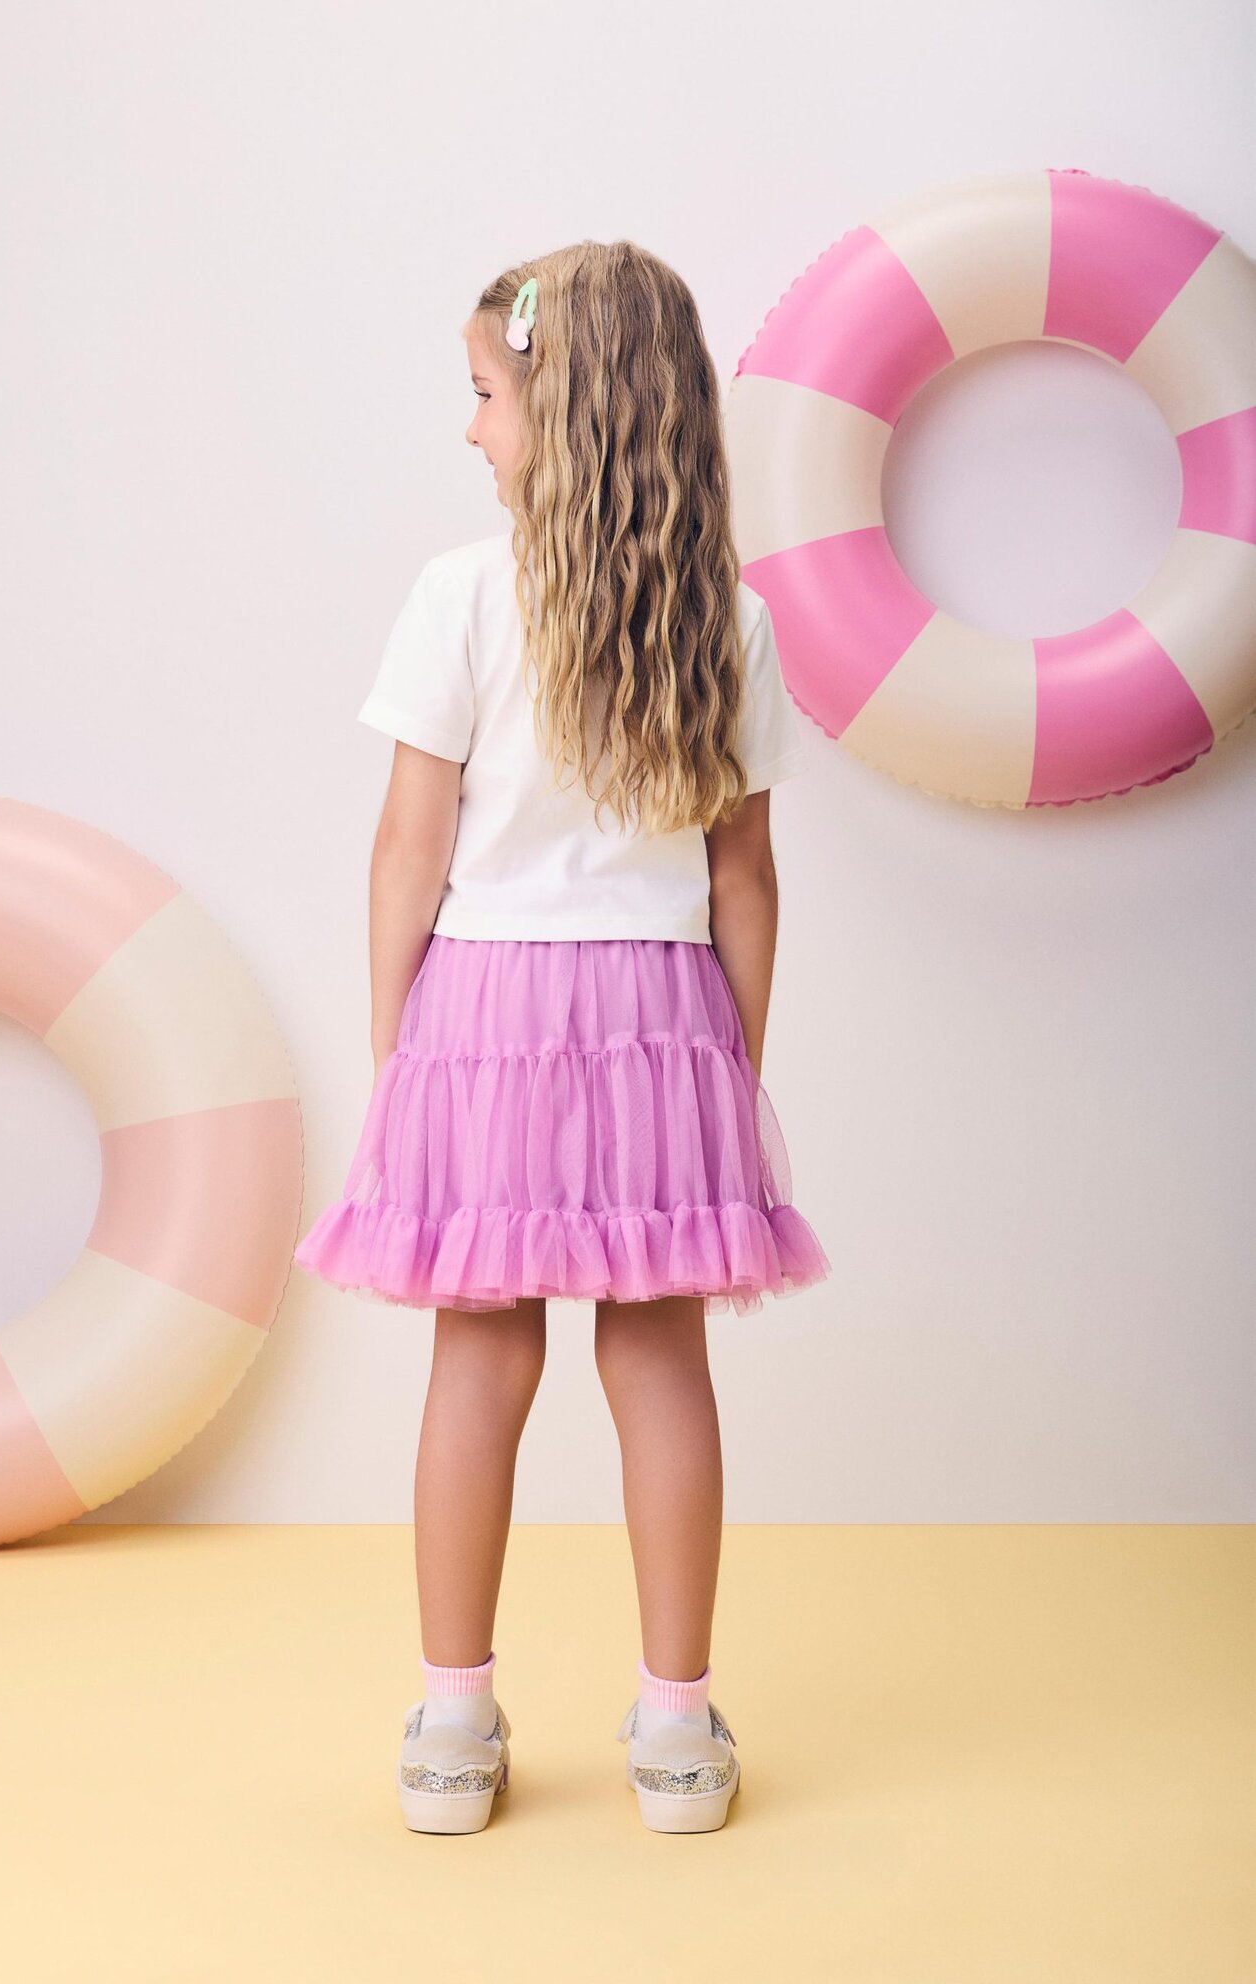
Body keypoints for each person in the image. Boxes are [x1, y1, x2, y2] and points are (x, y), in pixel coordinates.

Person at [294, 240, 831, 1835]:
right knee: (657, 1356)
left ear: (563, 404)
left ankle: (452, 1726)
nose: (468, 428)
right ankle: (673, 1734)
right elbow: (743, 873)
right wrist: (728, 1063)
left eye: (481, 393)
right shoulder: (722, 616)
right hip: (662, 1008)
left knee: (479, 1355)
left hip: (485, 1008)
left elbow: (408, 848)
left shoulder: (460, 595)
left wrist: (398, 1048)